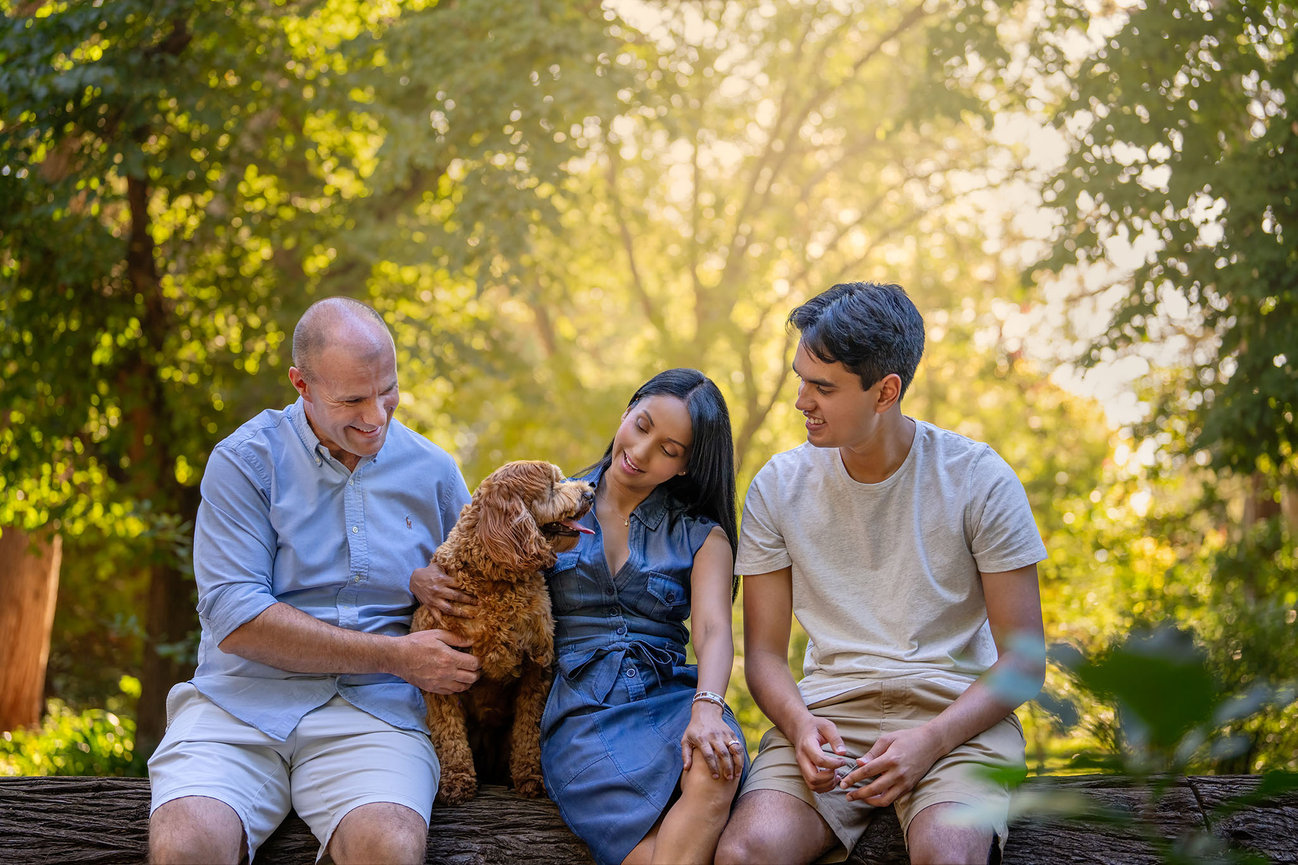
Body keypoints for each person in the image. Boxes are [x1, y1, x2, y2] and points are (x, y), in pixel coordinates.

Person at [714, 282, 1047, 865]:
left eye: (823, 387)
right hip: (829, 720)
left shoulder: (979, 478)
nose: (801, 401)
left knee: (948, 856)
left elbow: (1023, 661)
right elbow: (764, 657)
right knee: (744, 854)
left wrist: (932, 741)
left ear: (885, 392)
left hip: (955, 719)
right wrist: (798, 727)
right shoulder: (777, 486)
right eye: (801, 379)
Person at [148, 297, 482, 865]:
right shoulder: (244, 462)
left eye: (388, 391)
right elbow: (239, 620)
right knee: (188, 845)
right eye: (352, 399)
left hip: (378, 715)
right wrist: (398, 656)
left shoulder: (435, 472)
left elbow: (483, 592)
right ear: (301, 384)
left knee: (390, 849)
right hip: (240, 702)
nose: (376, 415)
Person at [417, 368, 745, 865]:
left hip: (669, 697)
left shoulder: (702, 535)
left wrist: (708, 708)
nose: (641, 451)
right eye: (642, 425)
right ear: (625, 412)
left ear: (686, 467)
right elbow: (478, 558)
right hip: (578, 710)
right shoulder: (548, 502)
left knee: (716, 767)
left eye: (669, 450)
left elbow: (714, 630)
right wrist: (420, 580)